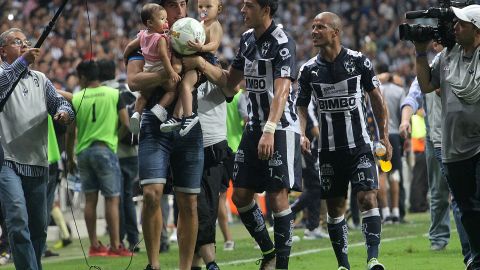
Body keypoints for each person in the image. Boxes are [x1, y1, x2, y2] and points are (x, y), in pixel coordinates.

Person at [184, 1, 301, 269]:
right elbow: (230, 83)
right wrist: (201, 64)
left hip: (280, 126)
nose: (242, 11)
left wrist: (270, 129)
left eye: (248, 6)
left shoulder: (283, 41)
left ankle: (281, 265)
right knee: (240, 196)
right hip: (254, 126)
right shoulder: (247, 39)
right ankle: (269, 252)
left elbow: (283, 89)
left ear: (266, 10)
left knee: (277, 195)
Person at [296, 12, 391, 270]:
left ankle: (373, 259)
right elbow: (301, 107)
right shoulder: (308, 70)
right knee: (336, 208)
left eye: (320, 27)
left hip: (359, 146)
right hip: (328, 151)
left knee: (368, 198)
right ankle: (344, 265)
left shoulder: (359, 61)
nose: (314, 31)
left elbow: (377, 100)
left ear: (335, 32)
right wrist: (302, 133)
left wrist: (383, 135)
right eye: (313, 27)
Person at [126, 1, 204, 269]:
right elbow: (133, 81)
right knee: (150, 194)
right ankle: (154, 264)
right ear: (160, 14)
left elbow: (222, 81)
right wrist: (168, 72)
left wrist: (200, 60)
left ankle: (185, 267)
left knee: (189, 201)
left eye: (184, 3)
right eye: (173, 5)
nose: (180, 10)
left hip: (187, 125)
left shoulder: (194, 36)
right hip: (153, 124)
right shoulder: (145, 41)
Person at [0, 28, 74, 270]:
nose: (24, 45)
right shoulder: (1, 75)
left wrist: (64, 113)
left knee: (38, 228)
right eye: (16, 42)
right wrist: (21, 62)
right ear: (2, 52)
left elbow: (61, 102)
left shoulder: (41, 79)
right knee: (17, 220)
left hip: (38, 161)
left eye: (26, 42)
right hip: (7, 160)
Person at [414, 5, 480, 268]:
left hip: (478, 146)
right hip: (453, 149)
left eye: (461, 23)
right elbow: (427, 85)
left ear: (476, 29)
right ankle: (476, 259)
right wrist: (420, 52)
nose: (454, 27)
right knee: (468, 211)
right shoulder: (447, 58)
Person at [400, 75, 472, 265]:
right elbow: (412, 98)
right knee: (438, 192)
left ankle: (470, 242)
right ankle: (439, 238)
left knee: (461, 194)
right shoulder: (428, 72)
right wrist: (405, 120)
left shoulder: (464, 68)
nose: (437, 45)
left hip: (462, 139)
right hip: (435, 140)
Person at [66, 60, 132, 257]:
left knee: (90, 201)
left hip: (84, 152)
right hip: (105, 150)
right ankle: (115, 245)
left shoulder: (77, 98)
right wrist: (114, 137)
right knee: (112, 199)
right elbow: (126, 124)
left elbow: (70, 132)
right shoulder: (113, 94)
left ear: (84, 77)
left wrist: (70, 158)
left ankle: (94, 245)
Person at [192, 80, 238, 270]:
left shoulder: (218, 76)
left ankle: (201, 262)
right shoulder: (184, 76)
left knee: (208, 208)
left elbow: (233, 87)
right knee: (197, 209)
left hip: (217, 151)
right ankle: (209, 261)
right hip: (189, 151)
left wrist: (203, 64)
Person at [160, 0, 223, 136]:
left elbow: (214, 45)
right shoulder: (199, 24)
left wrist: (201, 47)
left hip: (205, 61)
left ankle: (188, 116)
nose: (203, 10)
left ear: (219, 9)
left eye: (208, 7)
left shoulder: (215, 25)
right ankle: (177, 117)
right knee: (185, 86)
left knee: (185, 86)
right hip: (197, 58)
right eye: (200, 7)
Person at [97, 59, 140, 252]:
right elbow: (134, 120)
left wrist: (115, 137)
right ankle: (133, 239)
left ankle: (120, 239)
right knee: (128, 196)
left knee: (117, 198)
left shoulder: (102, 93)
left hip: (113, 150)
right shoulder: (127, 90)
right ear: (114, 72)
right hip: (132, 151)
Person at [124, 3, 181, 134]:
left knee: (144, 94)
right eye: (162, 19)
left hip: (147, 69)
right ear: (150, 23)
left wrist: (125, 58)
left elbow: (130, 47)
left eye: (166, 19)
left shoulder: (143, 34)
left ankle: (136, 114)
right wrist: (170, 71)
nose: (166, 22)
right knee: (172, 90)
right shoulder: (160, 38)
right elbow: (163, 56)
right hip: (160, 69)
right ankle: (160, 107)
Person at [376, 72, 405, 224]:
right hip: (394, 135)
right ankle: (396, 211)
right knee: (394, 175)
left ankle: (385, 213)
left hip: (380, 136)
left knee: (381, 174)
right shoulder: (399, 91)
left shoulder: (375, 88)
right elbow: (403, 114)